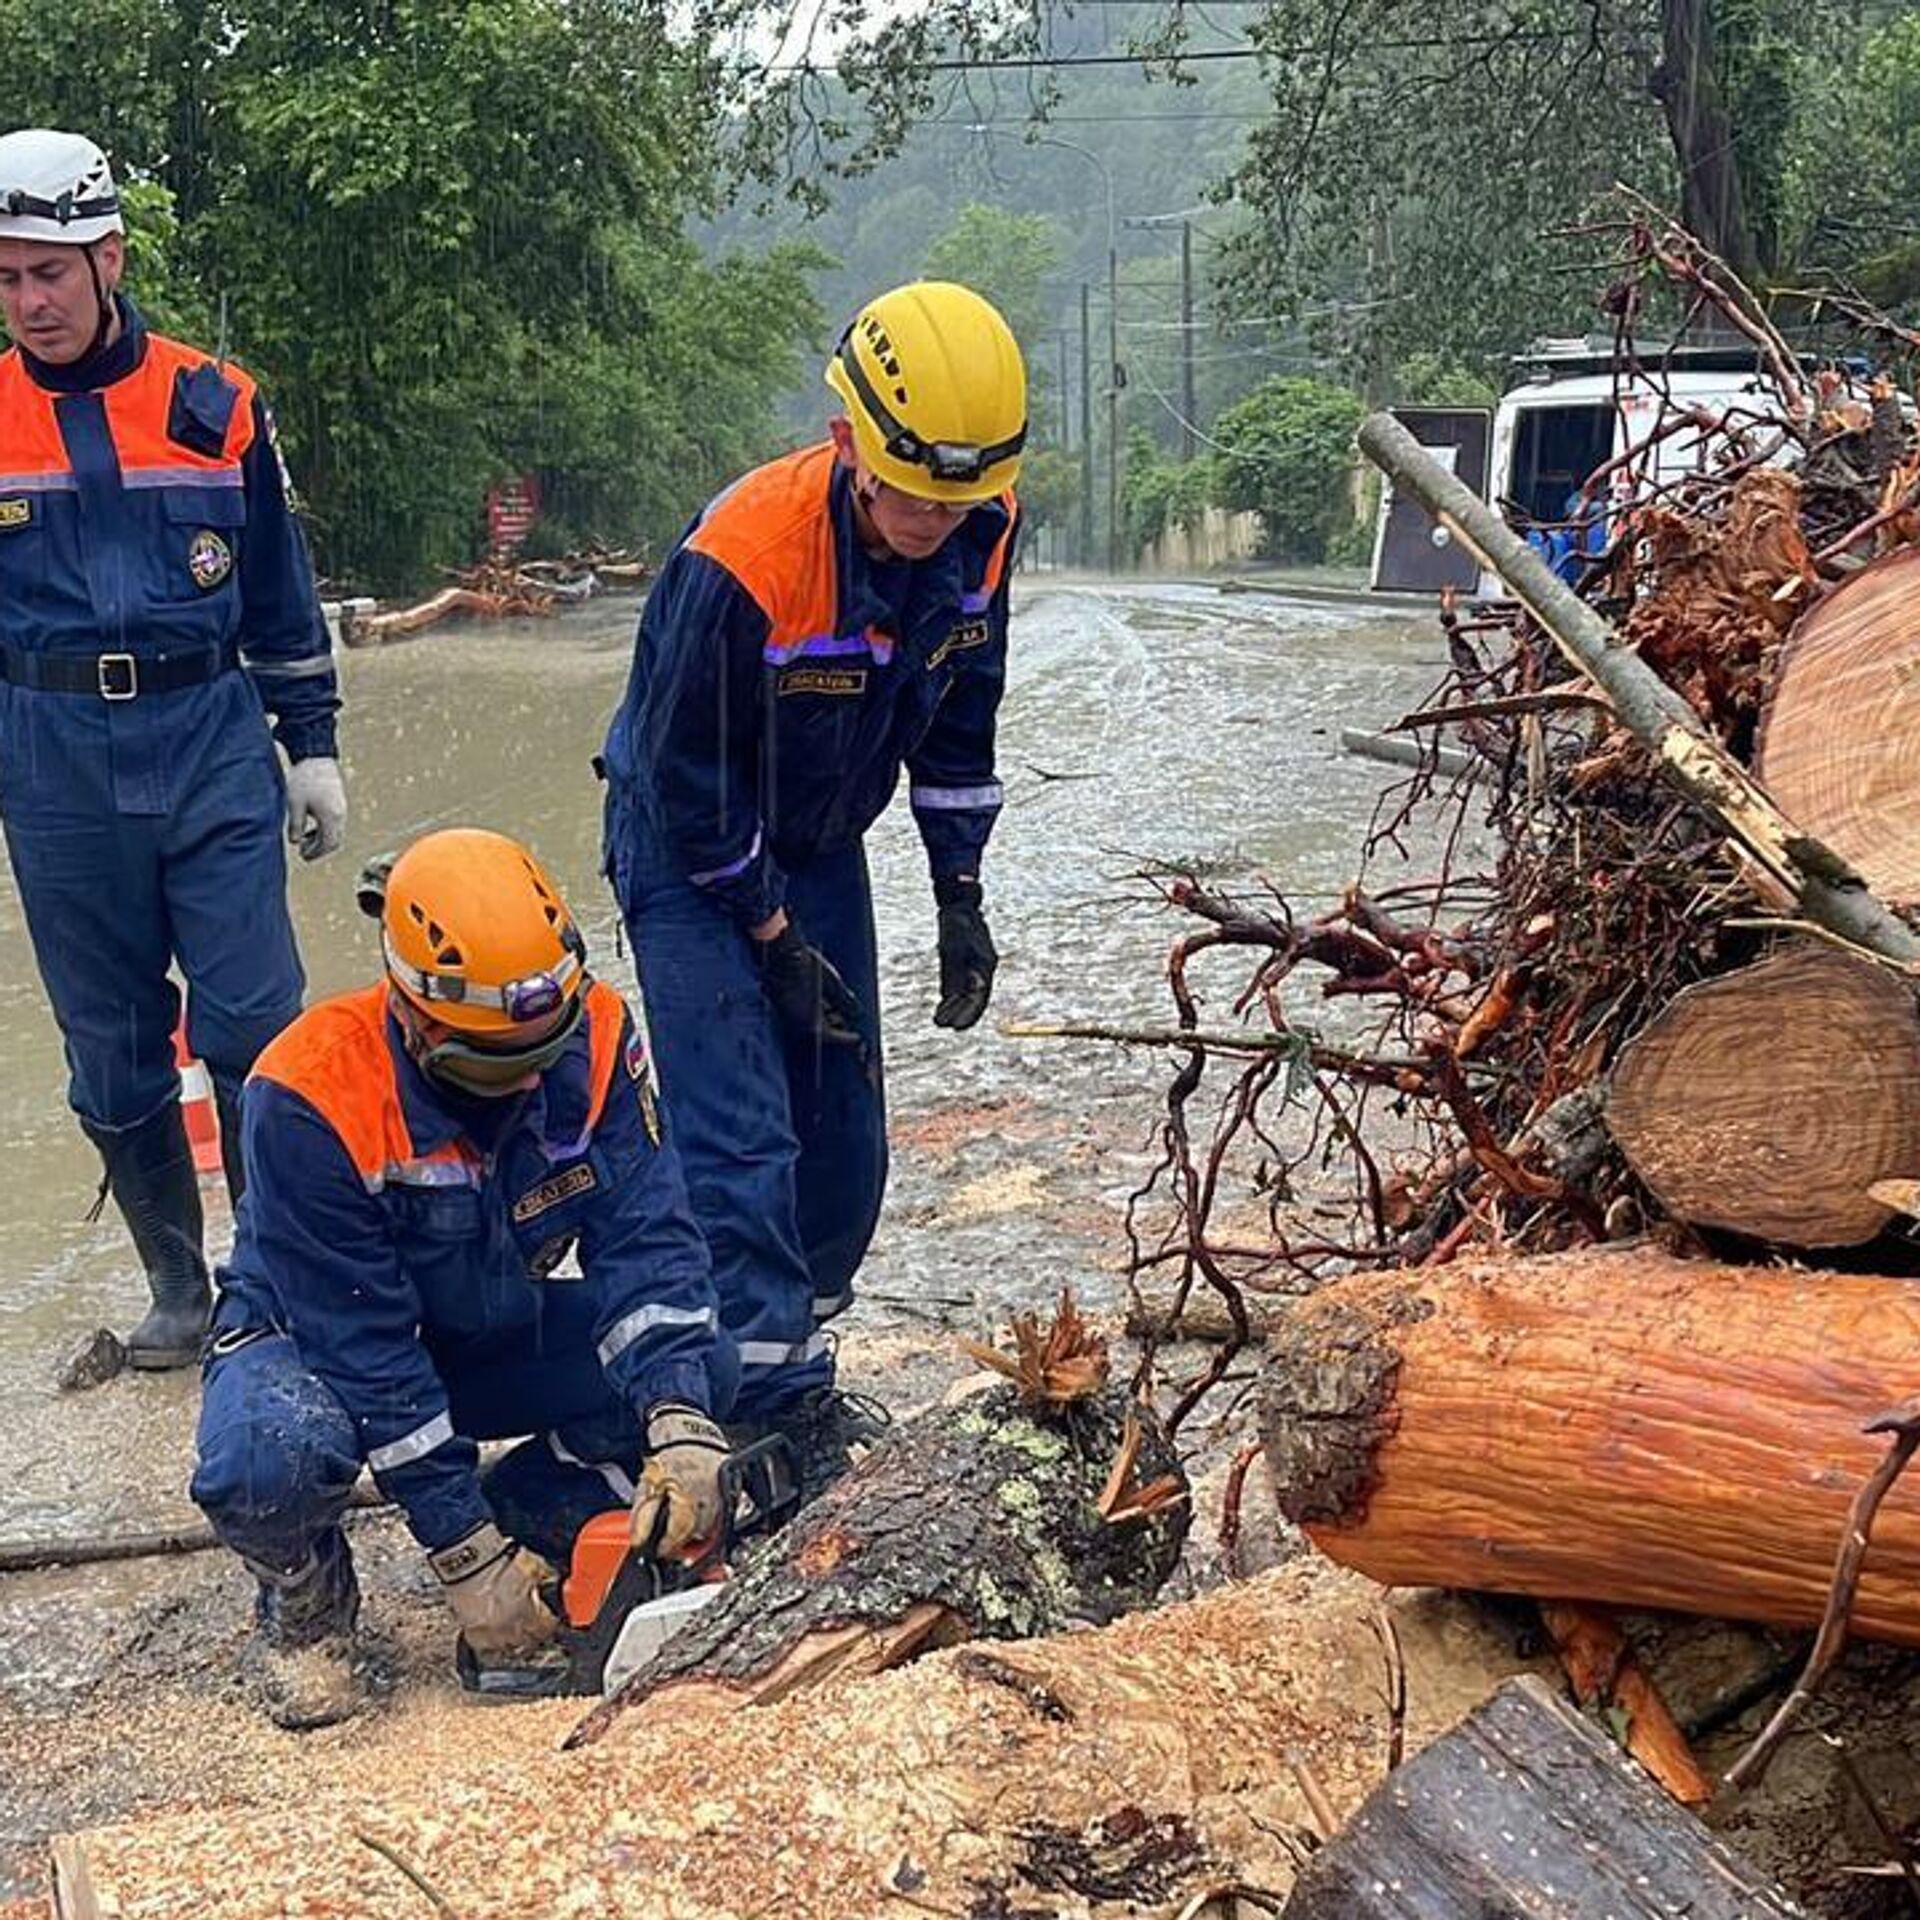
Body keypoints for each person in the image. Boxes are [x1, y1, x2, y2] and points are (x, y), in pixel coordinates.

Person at [600, 280, 1023, 1484]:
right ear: (847, 443)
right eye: (911, 496)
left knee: (843, 1134)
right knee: (740, 1132)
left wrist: (960, 891)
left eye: (960, 499)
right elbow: (689, 779)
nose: (933, 522)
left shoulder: (982, 525)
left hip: (823, 837)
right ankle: (755, 1406)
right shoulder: (747, 560)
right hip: (692, 847)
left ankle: (789, 1327)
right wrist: (770, 931)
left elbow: (961, 721)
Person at [189, 828, 736, 1728]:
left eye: (540, 1053)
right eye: (498, 1061)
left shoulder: (593, 1035)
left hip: (485, 1320)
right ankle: (310, 1601)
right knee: (266, 1463)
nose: (528, 1082)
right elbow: (367, 1352)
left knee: (703, 1365)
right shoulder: (309, 1094)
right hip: (315, 1341)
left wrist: (678, 1420)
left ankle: (530, 1503)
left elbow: (647, 1239)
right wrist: (461, 1556)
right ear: (416, 1013)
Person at [0, 128, 345, 1368]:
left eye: (49, 270)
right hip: (49, 760)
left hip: (207, 738)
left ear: (109, 256)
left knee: (259, 1018)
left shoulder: (216, 405)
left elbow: (280, 597)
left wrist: (310, 747)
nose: (30, 301)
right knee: (108, 1046)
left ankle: (274, 1273)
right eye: (6, 276)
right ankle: (178, 1287)